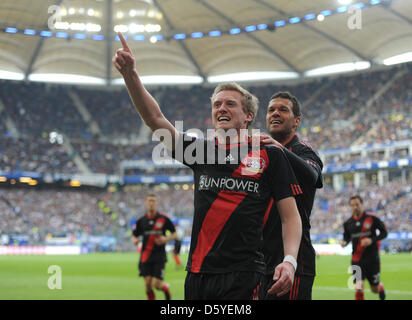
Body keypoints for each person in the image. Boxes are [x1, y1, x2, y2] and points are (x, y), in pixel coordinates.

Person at [113, 32, 303, 300]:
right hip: (198, 274)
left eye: (229, 103)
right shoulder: (201, 150)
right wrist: (130, 75)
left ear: (248, 116)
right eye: (216, 104)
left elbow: (290, 216)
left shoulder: (269, 154)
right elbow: (155, 119)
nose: (221, 108)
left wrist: (290, 261)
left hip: (244, 274)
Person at [256, 92, 323, 300]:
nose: (275, 113)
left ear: (297, 121)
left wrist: (277, 149)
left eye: (283, 109)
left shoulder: (303, 150)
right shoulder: (260, 153)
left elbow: (312, 176)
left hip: (293, 258)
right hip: (259, 259)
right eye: (271, 110)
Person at [341, 195, 388, 300]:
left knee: (374, 289)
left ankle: (380, 287)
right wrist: (345, 242)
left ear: (361, 204)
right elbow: (347, 237)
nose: (355, 207)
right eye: (352, 205)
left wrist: (371, 240)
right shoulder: (348, 223)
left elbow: (384, 233)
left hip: (372, 259)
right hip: (357, 260)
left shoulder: (372, 218)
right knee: (359, 288)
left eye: (357, 204)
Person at [132, 193, 177, 300]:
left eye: (153, 201)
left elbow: (174, 233)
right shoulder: (141, 221)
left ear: (157, 203)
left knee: (156, 285)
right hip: (145, 256)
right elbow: (135, 235)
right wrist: (135, 240)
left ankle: (165, 289)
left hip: (159, 256)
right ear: (146, 203)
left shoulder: (163, 219)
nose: (151, 203)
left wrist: (165, 239)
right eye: (149, 201)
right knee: (147, 285)